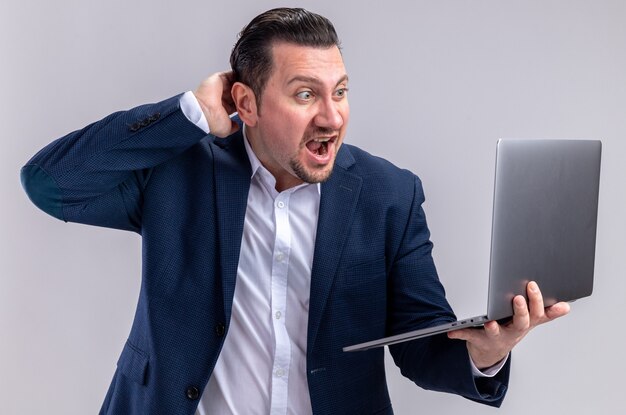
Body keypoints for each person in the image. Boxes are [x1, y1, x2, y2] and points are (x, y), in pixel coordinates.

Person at [20, 7, 569, 415]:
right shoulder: (179, 174)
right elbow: (51, 183)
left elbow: (420, 344)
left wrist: (488, 353)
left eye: (341, 91)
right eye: (306, 95)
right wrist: (186, 112)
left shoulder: (387, 193)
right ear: (246, 104)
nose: (332, 117)